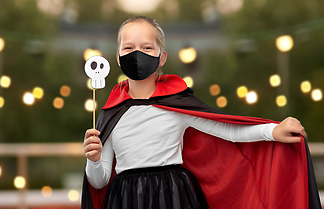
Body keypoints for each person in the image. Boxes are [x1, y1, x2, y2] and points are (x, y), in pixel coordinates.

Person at [82, 16, 320, 209]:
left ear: (162, 57)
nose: (137, 53)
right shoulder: (109, 114)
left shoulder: (177, 104)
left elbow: (227, 129)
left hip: (174, 195)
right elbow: (99, 180)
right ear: (118, 57)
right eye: (129, 47)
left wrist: (273, 130)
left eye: (146, 47)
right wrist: (93, 161)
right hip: (125, 199)